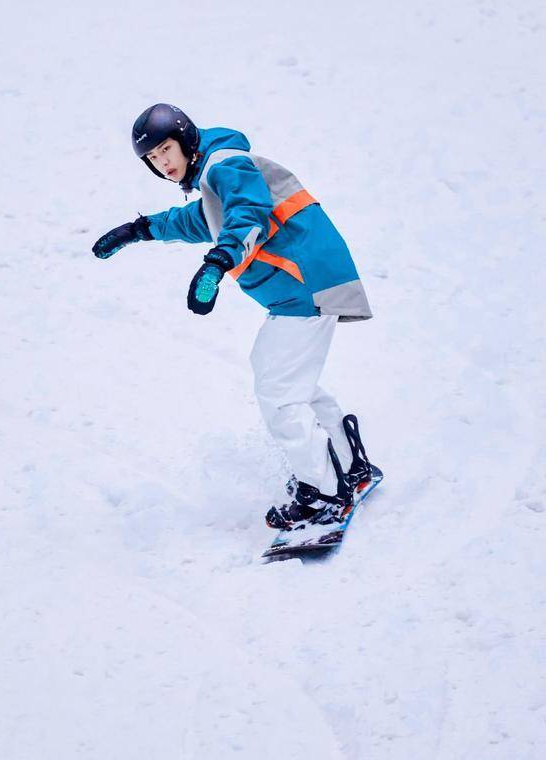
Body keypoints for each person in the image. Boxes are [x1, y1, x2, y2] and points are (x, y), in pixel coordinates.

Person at [92, 103, 379, 530]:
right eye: (153, 159)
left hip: (306, 282)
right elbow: (201, 220)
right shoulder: (215, 173)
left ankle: (323, 494)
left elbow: (248, 212)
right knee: (284, 379)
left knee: (279, 393)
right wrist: (141, 230)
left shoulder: (225, 166)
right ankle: (348, 465)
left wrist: (217, 263)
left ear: (187, 139)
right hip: (303, 284)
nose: (164, 163)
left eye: (167, 149)